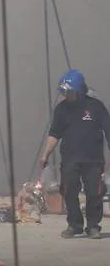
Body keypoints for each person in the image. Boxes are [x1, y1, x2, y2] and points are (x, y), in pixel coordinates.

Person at [39, 69, 110, 239]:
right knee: (69, 191)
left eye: (68, 91)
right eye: (63, 91)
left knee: (94, 193)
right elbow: (54, 134)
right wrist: (45, 155)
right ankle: (75, 225)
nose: (65, 94)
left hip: (94, 160)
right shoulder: (61, 109)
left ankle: (93, 226)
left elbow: (109, 131)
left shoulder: (96, 107)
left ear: (79, 90)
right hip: (70, 159)